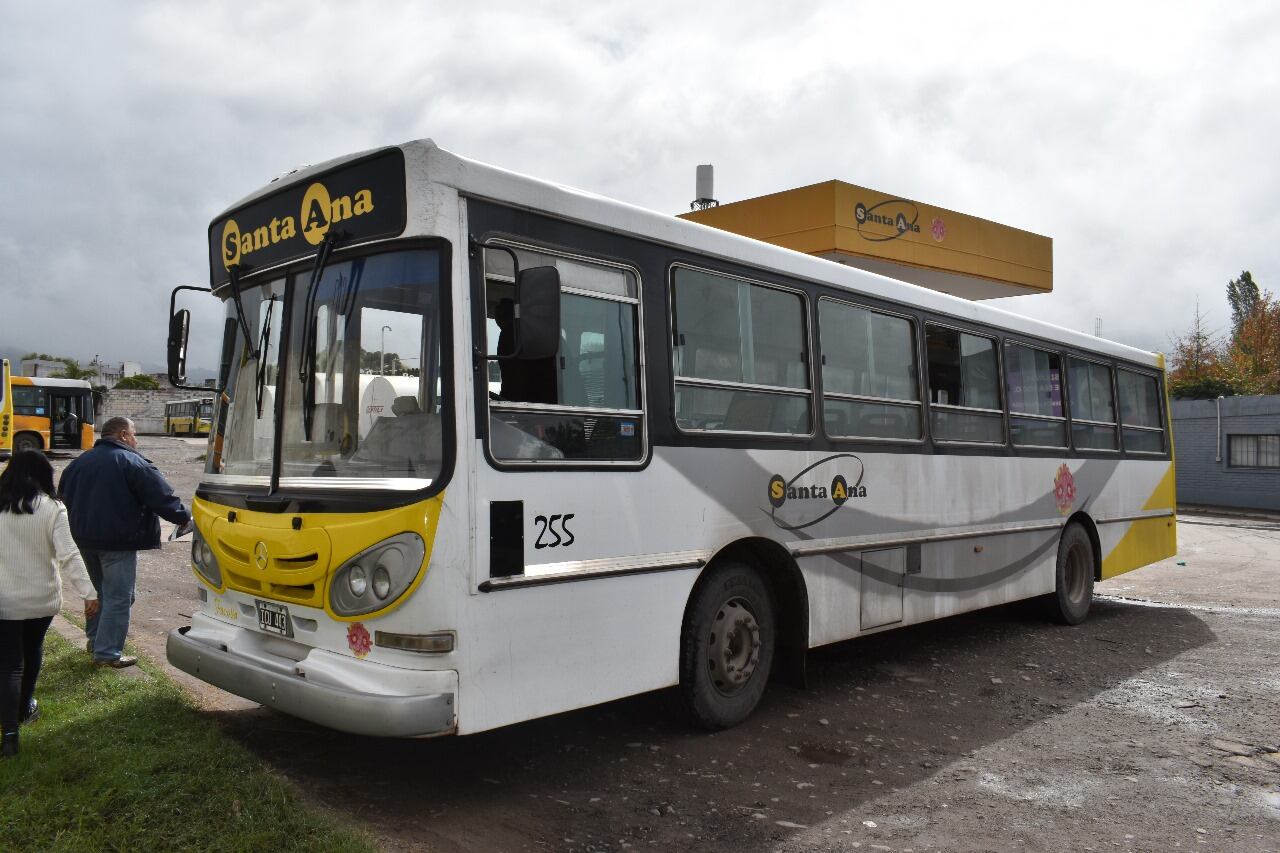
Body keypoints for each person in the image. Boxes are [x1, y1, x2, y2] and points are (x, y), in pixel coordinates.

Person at [58, 417, 190, 669]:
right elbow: (161, 497)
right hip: (117, 542)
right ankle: (107, 653)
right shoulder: (132, 462)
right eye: (134, 434)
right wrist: (184, 517)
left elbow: (62, 498)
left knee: (98, 593)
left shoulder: (78, 463)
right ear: (122, 435)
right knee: (119, 597)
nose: (136, 439)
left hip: (83, 539)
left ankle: (96, 642)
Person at [0, 451, 100, 758]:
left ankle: (10, 736)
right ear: (45, 476)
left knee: (9, 665)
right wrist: (89, 592)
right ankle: (25, 707)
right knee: (32, 652)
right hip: (42, 600)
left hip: (4, 600)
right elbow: (68, 554)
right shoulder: (53, 508)